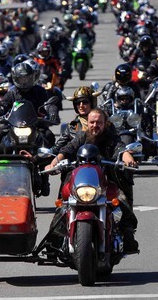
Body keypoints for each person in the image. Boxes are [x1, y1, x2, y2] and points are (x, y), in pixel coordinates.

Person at [45, 108, 140, 253]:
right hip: (81, 181)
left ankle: (128, 236)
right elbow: (66, 150)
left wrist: (128, 158)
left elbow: (120, 149)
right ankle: (54, 242)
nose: (95, 125)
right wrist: (54, 162)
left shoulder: (110, 138)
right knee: (63, 204)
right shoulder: (82, 137)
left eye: (99, 122)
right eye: (92, 122)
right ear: (87, 123)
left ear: (105, 123)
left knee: (121, 201)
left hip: (104, 181)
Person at [0, 60, 60, 195]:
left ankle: (45, 173)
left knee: (49, 136)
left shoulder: (39, 91)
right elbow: (3, 105)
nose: (24, 82)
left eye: (27, 78)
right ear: (15, 79)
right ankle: (1, 166)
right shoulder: (12, 92)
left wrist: (52, 111)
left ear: (33, 77)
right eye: (21, 79)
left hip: (36, 124)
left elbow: (48, 103)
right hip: (14, 124)